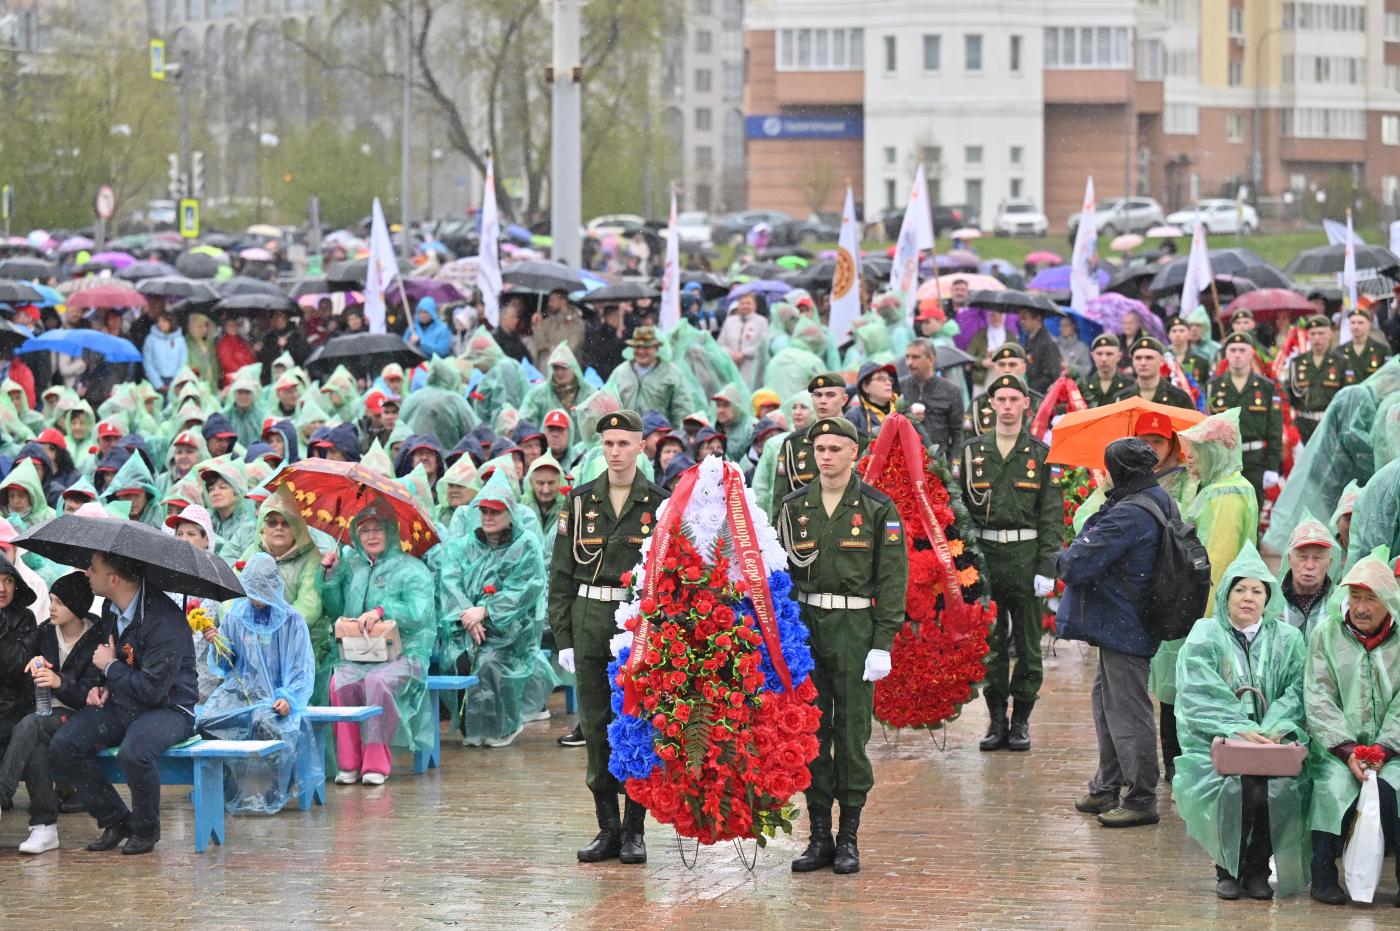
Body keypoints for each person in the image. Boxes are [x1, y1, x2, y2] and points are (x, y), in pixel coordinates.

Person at [777, 416, 907, 875]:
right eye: (819, 449)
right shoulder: (794, 507)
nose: (826, 456)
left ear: (855, 452)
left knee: (851, 735)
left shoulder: (876, 507)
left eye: (835, 448)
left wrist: (883, 642)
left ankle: (849, 837)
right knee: (810, 732)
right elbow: (778, 574)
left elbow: (892, 578)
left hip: (855, 626)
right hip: (806, 626)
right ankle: (818, 837)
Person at [548, 410, 667, 865]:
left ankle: (636, 830)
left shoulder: (658, 503)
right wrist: (563, 637)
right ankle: (607, 828)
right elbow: (560, 576)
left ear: (641, 446)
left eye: (624, 443)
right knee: (596, 726)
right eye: (609, 443)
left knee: (636, 722)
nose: (615, 452)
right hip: (590, 618)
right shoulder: (579, 503)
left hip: (636, 624)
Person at [1173, 542, 1310, 900]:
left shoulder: (1289, 639)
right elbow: (1198, 690)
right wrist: (1237, 726)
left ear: (1269, 597)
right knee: (1235, 790)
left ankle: (1257, 870)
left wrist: (1271, 728)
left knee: (1273, 791)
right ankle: (1228, 870)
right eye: (1239, 589)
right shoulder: (1206, 634)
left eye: (1256, 590)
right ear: (1226, 595)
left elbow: (1299, 689)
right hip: (1218, 743)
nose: (1247, 598)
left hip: (1275, 742)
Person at [50, 550, 198, 855]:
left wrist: (110, 669)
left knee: (135, 752)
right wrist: (101, 686)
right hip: (124, 701)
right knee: (65, 744)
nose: (87, 574)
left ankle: (146, 830)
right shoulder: (110, 606)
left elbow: (151, 691)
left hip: (169, 708)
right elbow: (116, 655)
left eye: (92, 569)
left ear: (114, 579)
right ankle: (116, 820)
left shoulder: (163, 620)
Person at [1056, 438, 1167, 829]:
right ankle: (1107, 784)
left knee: (1127, 711)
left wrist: (1060, 554)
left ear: (1121, 471)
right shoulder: (1151, 497)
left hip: (1125, 624)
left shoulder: (1129, 514)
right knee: (1107, 702)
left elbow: (1075, 564)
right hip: (1125, 622)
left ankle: (1140, 797)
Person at [956, 374, 1062, 752]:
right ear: (990, 405)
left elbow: (1051, 517)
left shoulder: (1040, 454)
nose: (1005, 406)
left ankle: (1021, 722)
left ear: (1025, 405)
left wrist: (1048, 568)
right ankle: (996, 719)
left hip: (1026, 559)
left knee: (1029, 647)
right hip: (985, 561)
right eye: (999, 399)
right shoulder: (972, 454)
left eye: (1013, 399)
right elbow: (961, 515)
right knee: (993, 645)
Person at [1154, 408, 1259, 781]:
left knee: (1189, 694)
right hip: (1195, 610)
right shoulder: (1217, 488)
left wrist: (1199, 624)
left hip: (1202, 613)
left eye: (1196, 451)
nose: (1188, 458)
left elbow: (1215, 563)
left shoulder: (1226, 495)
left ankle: (1185, 771)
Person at [1303, 547, 1400, 906]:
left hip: (1392, 750)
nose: (1360, 607)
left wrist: (1384, 749)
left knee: (1397, 791)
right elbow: (1318, 696)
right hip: (1335, 749)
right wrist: (1346, 749)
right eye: (1355, 597)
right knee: (1331, 789)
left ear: (1388, 601)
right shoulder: (1326, 635)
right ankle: (1323, 875)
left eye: (1370, 599)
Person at [321, 508, 436, 785]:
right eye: (364, 530)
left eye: (377, 528)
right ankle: (348, 763)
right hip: (359, 654)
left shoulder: (412, 569)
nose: (371, 535)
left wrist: (383, 611)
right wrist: (331, 577)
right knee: (340, 684)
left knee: (376, 682)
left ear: (391, 531)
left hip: (406, 653)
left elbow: (419, 614)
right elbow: (336, 608)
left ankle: (376, 762)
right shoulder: (353, 566)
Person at [196, 554, 317, 814]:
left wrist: (290, 698)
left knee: (265, 721)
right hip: (239, 691)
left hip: (275, 694)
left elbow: (301, 668)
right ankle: (224, 784)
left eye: (263, 590)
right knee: (207, 721)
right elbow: (225, 666)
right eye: (252, 591)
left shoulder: (292, 621)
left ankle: (278, 784)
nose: (257, 597)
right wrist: (216, 642)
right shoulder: (236, 617)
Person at [438, 475, 548, 748]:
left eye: (495, 511)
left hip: (513, 631)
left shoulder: (526, 545)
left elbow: (526, 589)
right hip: (465, 628)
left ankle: (504, 725)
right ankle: (474, 726)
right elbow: (451, 583)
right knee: (460, 659)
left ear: (510, 513)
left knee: (492, 661)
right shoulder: (463, 546)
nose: (488, 517)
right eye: (484, 511)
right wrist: (468, 616)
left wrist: (486, 611)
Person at [0, 571, 100, 853]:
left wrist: (60, 682)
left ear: (77, 606)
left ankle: (2, 793)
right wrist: (33, 664)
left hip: (79, 716)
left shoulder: (96, 636)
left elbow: (89, 695)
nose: (51, 607)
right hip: (42, 713)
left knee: (32, 725)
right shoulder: (44, 631)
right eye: (52, 600)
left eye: (58, 602)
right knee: (36, 747)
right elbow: (21, 671)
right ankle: (44, 828)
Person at [1206, 333, 1283, 505]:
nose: (1237, 354)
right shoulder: (1213, 386)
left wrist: (1272, 467)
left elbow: (1275, 429)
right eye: (1233, 350)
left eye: (1242, 350)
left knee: (1252, 513)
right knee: (1225, 511)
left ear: (1251, 354)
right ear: (1226, 354)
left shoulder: (1266, 387)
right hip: (1223, 461)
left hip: (1255, 460)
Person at [771, 373, 851, 504]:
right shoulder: (793, 443)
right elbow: (780, 495)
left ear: (844, 399)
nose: (823, 401)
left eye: (830, 395)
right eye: (818, 395)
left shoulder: (861, 440)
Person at [602, 326, 704, 427]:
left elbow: (683, 409)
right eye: (637, 347)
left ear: (656, 348)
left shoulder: (672, 374)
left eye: (646, 347)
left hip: (659, 438)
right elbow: (606, 405)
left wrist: (678, 436)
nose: (641, 352)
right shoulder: (620, 373)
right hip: (625, 438)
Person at [1287, 315, 1345, 445]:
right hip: (1304, 425)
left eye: (1321, 333)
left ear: (1330, 334)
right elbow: (1289, 395)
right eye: (1312, 334)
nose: (1316, 338)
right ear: (1307, 335)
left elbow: (1346, 397)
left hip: (1331, 423)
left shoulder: (1341, 363)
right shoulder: (1296, 363)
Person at [964, 344, 1045, 437]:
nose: (1007, 370)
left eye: (1012, 364)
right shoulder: (978, 404)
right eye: (1002, 365)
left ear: (1023, 368)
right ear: (994, 368)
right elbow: (966, 443)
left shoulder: (1038, 403)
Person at [899, 338, 963, 455]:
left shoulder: (951, 390)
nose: (909, 363)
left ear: (931, 359)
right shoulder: (899, 387)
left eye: (915, 357)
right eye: (907, 357)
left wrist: (951, 466)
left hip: (939, 464)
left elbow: (959, 433)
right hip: (905, 462)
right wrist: (907, 418)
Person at [1279, 512, 1335, 641]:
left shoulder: (1337, 604)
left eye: (1318, 557)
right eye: (1303, 557)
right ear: (1290, 559)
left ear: (1329, 563)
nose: (1309, 565)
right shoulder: (1272, 602)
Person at [1115, 336, 1195, 409]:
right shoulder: (1121, 398)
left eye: (1149, 358)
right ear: (1133, 361)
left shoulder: (1178, 398)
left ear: (1161, 361)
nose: (1143, 363)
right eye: (1138, 358)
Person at [717, 291, 768, 386]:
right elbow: (720, 343)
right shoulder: (729, 321)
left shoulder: (761, 321)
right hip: (731, 364)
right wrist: (731, 354)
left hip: (751, 366)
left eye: (748, 303)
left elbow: (762, 344)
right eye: (742, 303)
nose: (745, 306)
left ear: (755, 306)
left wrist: (744, 353)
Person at [843, 362, 898, 441]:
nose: (888, 383)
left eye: (890, 379)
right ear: (865, 387)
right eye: (881, 379)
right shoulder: (854, 417)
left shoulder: (904, 411)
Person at [1339, 307, 1390, 384]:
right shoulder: (1339, 351)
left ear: (1369, 325)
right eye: (1353, 322)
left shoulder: (1382, 350)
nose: (1356, 326)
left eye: (1360, 323)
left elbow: (1389, 377)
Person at [1017, 307, 1062, 394]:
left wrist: (1028, 387)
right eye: (1020, 318)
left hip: (1040, 396)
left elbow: (1051, 375)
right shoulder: (1029, 338)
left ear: (1037, 319)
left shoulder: (1048, 342)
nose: (1021, 322)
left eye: (1025, 318)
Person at [140, 311, 187, 393]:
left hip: (175, 381)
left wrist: (175, 382)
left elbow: (183, 362)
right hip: (156, 382)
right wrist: (158, 384)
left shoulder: (180, 340)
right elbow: (148, 362)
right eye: (159, 321)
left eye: (164, 321)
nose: (160, 323)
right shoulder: (150, 339)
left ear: (171, 322)